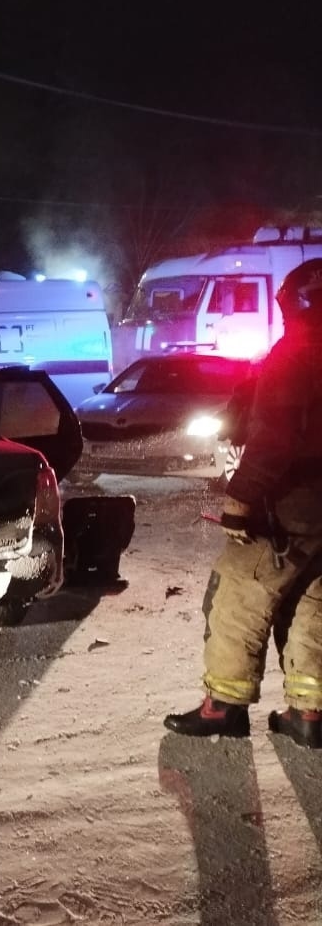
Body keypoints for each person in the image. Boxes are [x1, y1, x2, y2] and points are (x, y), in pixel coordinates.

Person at [165, 258, 322, 749]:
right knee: (312, 601)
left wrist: (241, 497)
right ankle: (308, 714)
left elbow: (276, 437)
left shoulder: (296, 355)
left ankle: (222, 708)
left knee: (237, 593)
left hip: (291, 502)